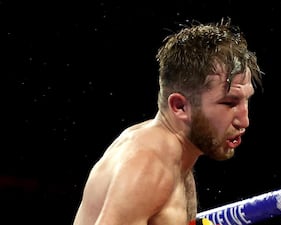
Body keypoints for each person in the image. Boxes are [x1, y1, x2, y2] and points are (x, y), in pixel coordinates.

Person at [72, 17, 263, 225]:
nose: (244, 121)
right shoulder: (148, 165)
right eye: (229, 103)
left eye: (246, 100)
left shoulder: (178, 154)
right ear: (180, 107)